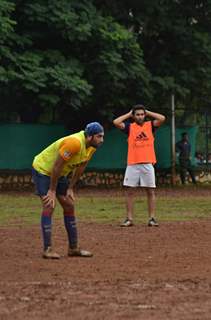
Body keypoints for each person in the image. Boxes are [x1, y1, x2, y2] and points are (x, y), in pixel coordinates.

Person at [32, 122, 104, 259]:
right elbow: (56, 166)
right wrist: (52, 190)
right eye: (99, 136)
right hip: (43, 170)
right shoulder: (74, 143)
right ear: (90, 136)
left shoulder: (92, 147)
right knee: (49, 205)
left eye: (102, 136)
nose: (102, 140)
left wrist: (71, 187)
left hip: (60, 174)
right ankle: (47, 249)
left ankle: (73, 248)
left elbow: (81, 166)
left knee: (69, 205)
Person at [113, 104, 165, 227]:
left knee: (150, 191)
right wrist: (129, 114)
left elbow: (162, 118)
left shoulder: (150, 126)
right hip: (133, 164)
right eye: (138, 114)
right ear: (134, 116)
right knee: (130, 192)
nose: (140, 116)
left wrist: (148, 112)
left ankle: (152, 218)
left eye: (142, 114)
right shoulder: (129, 127)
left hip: (147, 163)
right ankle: (129, 219)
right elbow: (116, 122)